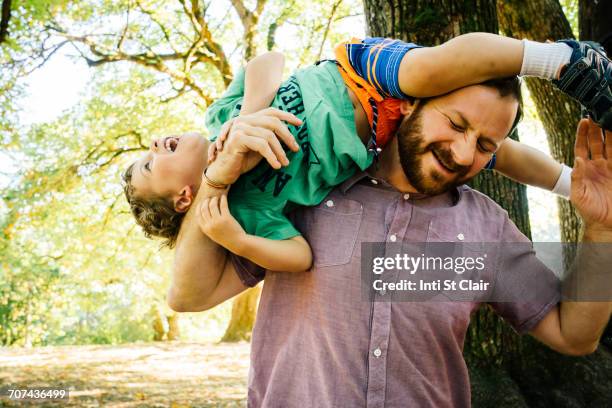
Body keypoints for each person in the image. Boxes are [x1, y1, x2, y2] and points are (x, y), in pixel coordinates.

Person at [167, 87, 612, 406]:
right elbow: (189, 296)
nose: (461, 152)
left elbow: (574, 333)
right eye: (455, 124)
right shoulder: (305, 187)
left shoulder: (486, 227)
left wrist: (602, 231)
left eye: (484, 145)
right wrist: (217, 178)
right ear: (411, 102)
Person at [123, 33, 610, 273]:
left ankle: (561, 59)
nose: (152, 146)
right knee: (488, 152)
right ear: (184, 197)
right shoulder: (250, 207)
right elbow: (299, 256)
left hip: (358, 73)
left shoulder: (220, 120)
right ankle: (574, 184)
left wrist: (249, 114)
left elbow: (268, 60)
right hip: (384, 130)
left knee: (419, 71)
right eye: (149, 165)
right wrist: (237, 239)